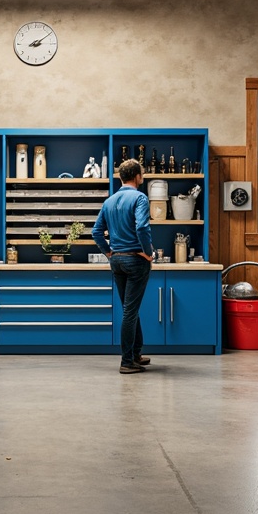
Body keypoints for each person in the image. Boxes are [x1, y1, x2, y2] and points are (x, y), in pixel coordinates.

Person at [92, 158, 156, 374]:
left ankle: (135, 354)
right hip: (135, 260)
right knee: (130, 311)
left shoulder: (109, 201)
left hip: (117, 261)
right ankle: (127, 362)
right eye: (142, 174)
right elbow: (142, 228)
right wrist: (148, 253)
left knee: (131, 309)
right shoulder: (140, 198)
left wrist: (109, 252)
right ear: (137, 176)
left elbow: (96, 232)